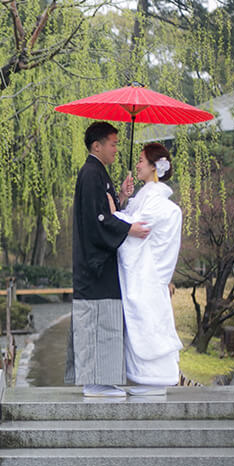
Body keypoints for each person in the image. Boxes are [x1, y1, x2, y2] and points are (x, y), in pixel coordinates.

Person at [65, 121, 149, 398]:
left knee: (107, 319)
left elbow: (108, 210)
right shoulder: (91, 174)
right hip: (94, 263)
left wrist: (122, 196)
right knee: (96, 319)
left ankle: (103, 379)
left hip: (102, 263)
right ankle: (94, 382)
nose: (116, 149)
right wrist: (128, 229)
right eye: (112, 143)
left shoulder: (100, 174)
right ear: (96, 145)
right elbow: (98, 220)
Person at [107, 142, 183, 395]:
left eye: (141, 160)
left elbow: (135, 230)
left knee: (149, 322)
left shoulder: (158, 203)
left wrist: (111, 214)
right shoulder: (146, 198)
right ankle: (145, 378)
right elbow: (130, 222)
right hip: (145, 275)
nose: (137, 165)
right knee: (144, 322)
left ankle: (154, 379)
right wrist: (124, 199)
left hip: (148, 275)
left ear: (154, 167)